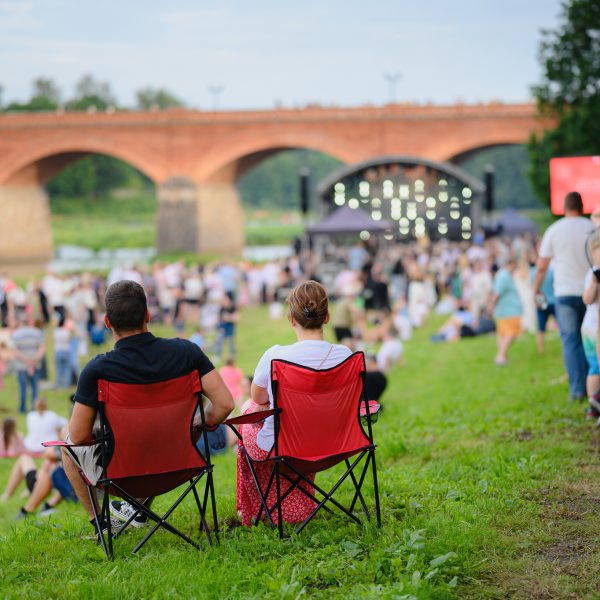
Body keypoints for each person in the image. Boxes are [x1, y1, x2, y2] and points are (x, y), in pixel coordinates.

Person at [61, 280, 234, 538]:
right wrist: (195, 426)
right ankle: (138, 508)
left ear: (107, 322)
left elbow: (78, 437)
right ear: (148, 315)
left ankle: (101, 523)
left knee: (66, 443)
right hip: (179, 465)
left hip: (121, 475)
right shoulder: (187, 353)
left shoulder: (97, 370)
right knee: (162, 432)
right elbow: (225, 404)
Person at [236, 280, 352, 527]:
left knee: (249, 408)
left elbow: (258, 398)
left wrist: (263, 405)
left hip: (282, 449)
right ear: (327, 317)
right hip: (338, 444)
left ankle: (256, 509)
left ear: (291, 319)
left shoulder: (275, 355)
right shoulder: (345, 355)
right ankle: (293, 504)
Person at [533, 191, 593, 401]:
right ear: (582, 206)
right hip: (591, 292)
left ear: (564, 207)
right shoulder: (591, 227)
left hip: (565, 293)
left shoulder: (554, 230)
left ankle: (577, 389)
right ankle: (594, 386)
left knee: (570, 341)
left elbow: (542, 266)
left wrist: (536, 289)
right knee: (591, 339)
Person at [490, 257, 523, 366]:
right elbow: (497, 294)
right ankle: (501, 356)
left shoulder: (503, 275)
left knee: (504, 334)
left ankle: (502, 356)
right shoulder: (504, 275)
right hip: (509, 311)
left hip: (505, 310)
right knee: (511, 333)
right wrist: (491, 306)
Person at [582, 232, 600, 420]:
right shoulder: (592, 273)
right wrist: (595, 282)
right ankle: (593, 404)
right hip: (592, 328)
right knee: (595, 367)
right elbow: (587, 299)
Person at [11, 314, 45, 413]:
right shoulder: (37, 333)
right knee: (35, 388)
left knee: (23, 387)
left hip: (21, 365)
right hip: (35, 364)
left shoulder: (16, 334)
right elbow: (42, 348)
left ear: (20, 322)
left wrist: (26, 360)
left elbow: (15, 351)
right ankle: (34, 408)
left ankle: (22, 408)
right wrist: (34, 359)